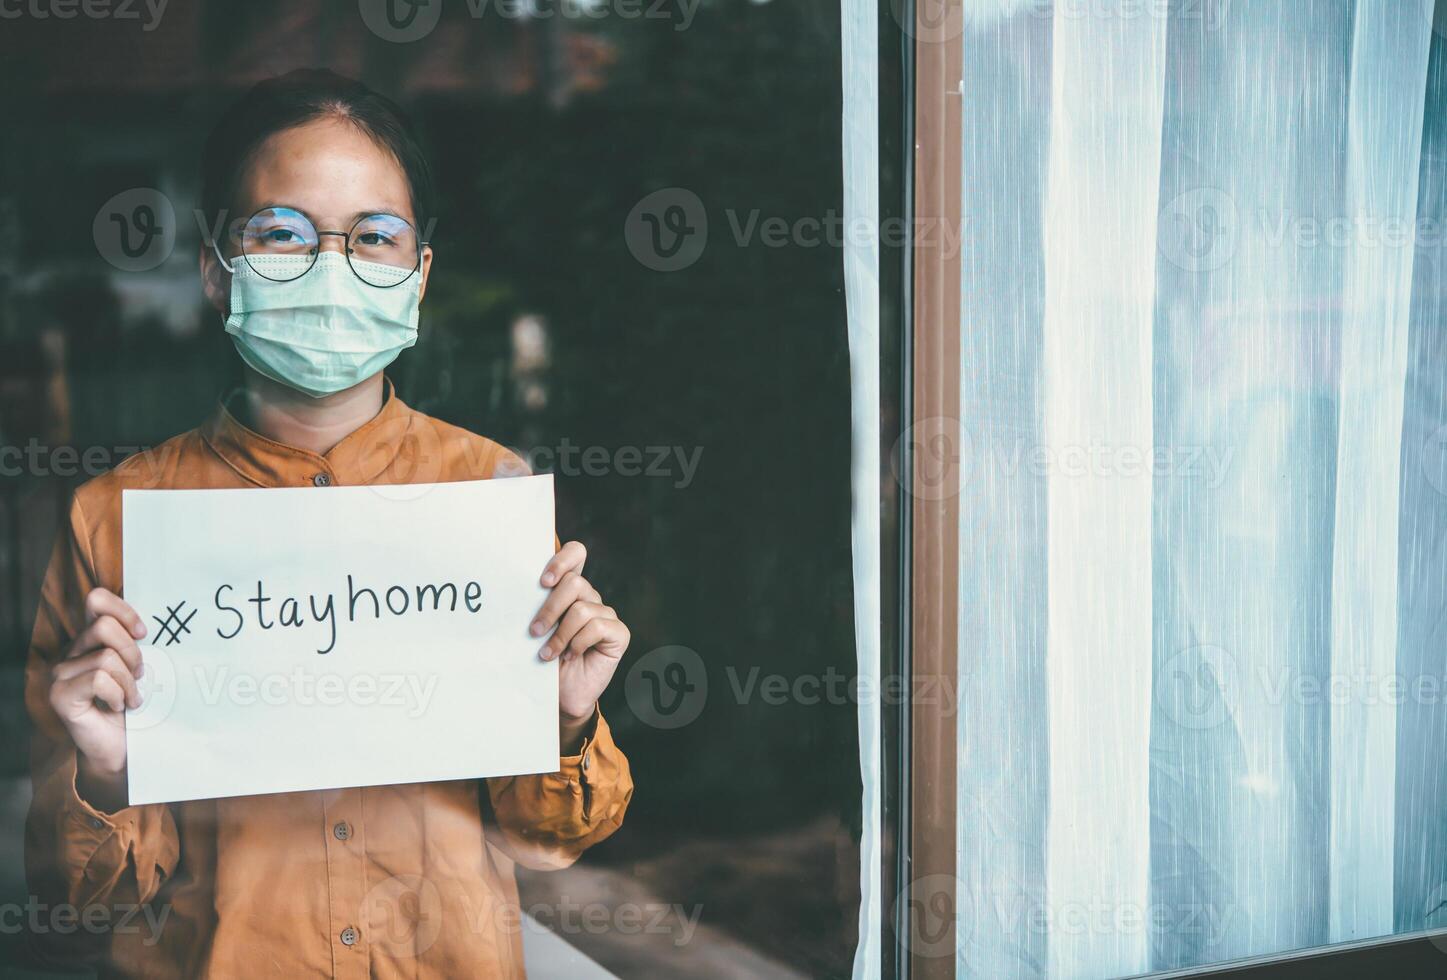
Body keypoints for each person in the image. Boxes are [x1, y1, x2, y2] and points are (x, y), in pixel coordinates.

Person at [24, 68, 632, 978]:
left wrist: (564, 718)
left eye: (374, 238)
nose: (328, 267)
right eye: (279, 232)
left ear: (419, 276)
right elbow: (85, 900)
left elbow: (549, 840)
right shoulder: (116, 520)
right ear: (214, 267)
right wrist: (107, 772)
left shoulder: (489, 498)